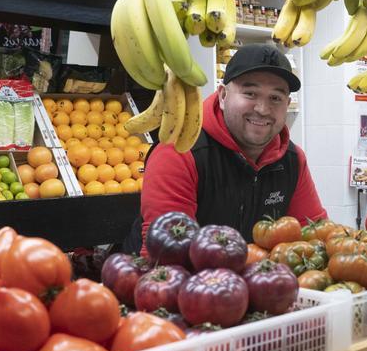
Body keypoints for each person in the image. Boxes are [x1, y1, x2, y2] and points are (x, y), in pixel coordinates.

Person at [123, 44, 326, 253]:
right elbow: (166, 255)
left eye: (275, 98)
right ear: (222, 96)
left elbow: (316, 239)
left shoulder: (292, 159)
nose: (263, 109)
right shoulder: (180, 152)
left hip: (254, 272)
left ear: (287, 103)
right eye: (250, 93)